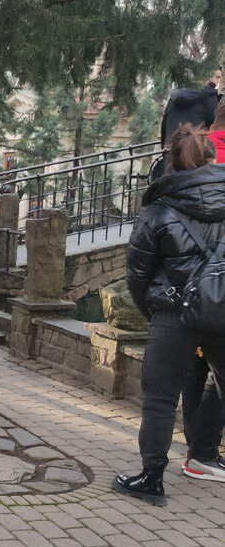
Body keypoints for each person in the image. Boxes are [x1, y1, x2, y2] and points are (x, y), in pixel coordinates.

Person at [114, 124, 225, 506]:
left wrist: (156, 313)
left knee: (160, 399)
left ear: (171, 163)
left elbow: (137, 275)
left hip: (174, 311)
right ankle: (204, 453)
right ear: (211, 159)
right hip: (221, 309)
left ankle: (152, 479)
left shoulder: (158, 211)